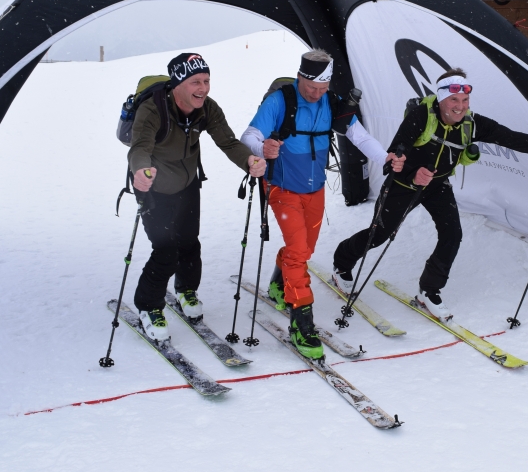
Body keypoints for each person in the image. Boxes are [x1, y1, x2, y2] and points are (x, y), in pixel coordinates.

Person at [332, 67, 528, 321]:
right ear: (442, 98)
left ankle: (429, 290)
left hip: (437, 185)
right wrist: (411, 172)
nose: (460, 106)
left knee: (452, 234)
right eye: (454, 99)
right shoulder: (421, 115)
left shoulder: (472, 124)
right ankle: (342, 264)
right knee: (380, 233)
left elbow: (513, 139)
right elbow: (397, 150)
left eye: (465, 99)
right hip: (404, 185)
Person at [241, 49, 403, 359]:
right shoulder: (280, 101)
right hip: (281, 186)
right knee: (299, 251)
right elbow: (248, 135)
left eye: (322, 89)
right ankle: (302, 323)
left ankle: (278, 285)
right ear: (300, 76)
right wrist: (263, 145)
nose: (316, 94)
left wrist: (385, 158)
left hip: (314, 190)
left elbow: (358, 134)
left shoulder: (330, 102)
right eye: (311, 87)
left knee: (304, 248)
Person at [129, 53, 266, 341]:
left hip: (188, 183)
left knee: (189, 243)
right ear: (177, 84)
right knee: (165, 250)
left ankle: (186, 290)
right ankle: (148, 306)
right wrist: (141, 171)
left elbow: (227, 141)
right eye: (195, 82)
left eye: (206, 81)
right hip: (154, 188)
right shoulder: (154, 110)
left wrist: (249, 161)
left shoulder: (207, 109)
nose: (202, 88)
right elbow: (139, 146)